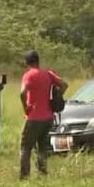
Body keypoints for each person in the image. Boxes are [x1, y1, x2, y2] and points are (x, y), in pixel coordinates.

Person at [19, 50, 68, 180]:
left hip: (33, 117)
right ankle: (42, 172)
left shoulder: (28, 75)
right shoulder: (47, 73)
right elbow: (64, 85)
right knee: (42, 147)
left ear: (26, 62)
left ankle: (24, 176)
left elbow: (22, 93)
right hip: (48, 117)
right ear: (38, 60)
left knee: (26, 148)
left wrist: (26, 108)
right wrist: (56, 97)